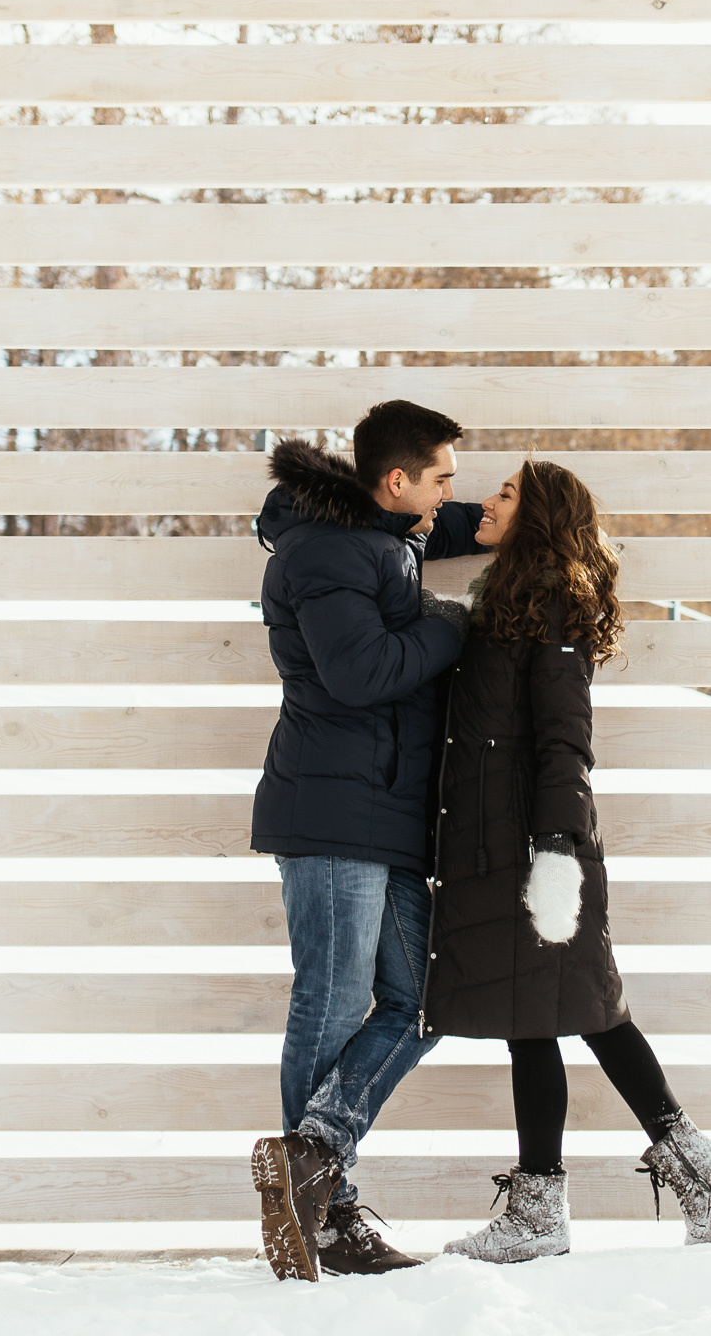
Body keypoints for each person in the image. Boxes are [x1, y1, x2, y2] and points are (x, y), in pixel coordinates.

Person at [423, 461, 711, 1263]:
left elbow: (566, 740)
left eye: (502, 495)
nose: (483, 506)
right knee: (550, 1014)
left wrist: (557, 850)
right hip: (501, 842)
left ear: (535, 516)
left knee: (562, 1013)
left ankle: (553, 1204)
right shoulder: (512, 599)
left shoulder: (551, 605)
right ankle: (685, 1166)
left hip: (536, 847)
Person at [247, 400, 483, 1282]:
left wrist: (526, 517)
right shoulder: (328, 551)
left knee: (424, 997)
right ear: (397, 482)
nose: (451, 497)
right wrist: (452, 624)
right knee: (332, 999)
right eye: (442, 478)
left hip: (382, 814)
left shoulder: (383, 536)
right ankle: (325, 1214)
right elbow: (360, 673)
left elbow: (450, 528)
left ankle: (312, 1157)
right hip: (333, 812)